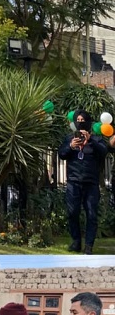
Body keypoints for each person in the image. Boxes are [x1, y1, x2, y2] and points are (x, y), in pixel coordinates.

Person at [58, 108, 108, 254]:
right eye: (78, 121)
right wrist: (70, 146)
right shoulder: (69, 138)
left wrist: (90, 139)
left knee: (91, 214)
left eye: (83, 121)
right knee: (72, 212)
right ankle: (76, 242)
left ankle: (89, 246)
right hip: (73, 182)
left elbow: (104, 152)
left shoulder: (97, 139)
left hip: (91, 184)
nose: (80, 124)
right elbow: (61, 154)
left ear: (88, 122)